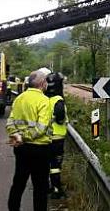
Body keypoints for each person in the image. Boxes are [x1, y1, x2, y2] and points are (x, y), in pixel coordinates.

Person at [6, 70, 52, 211]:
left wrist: (17, 136)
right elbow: (41, 128)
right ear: (42, 84)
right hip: (40, 150)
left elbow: (10, 122)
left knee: (18, 182)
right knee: (40, 187)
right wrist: (25, 136)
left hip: (21, 148)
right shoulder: (45, 101)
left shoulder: (19, 99)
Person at [45, 71, 68, 199]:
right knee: (55, 166)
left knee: (47, 165)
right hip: (57, 138)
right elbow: (60, 118)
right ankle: (57, 189)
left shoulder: (44, 99)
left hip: (44, 138)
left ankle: (48, 187)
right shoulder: (58, 101)